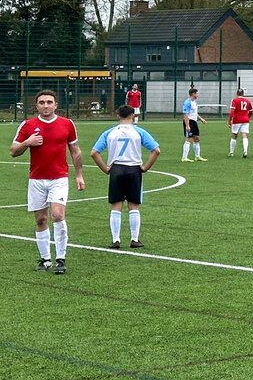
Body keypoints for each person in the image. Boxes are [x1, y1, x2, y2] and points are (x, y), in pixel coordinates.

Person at [10, 90, 85, 275]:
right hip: (36, 179)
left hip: (59, 178)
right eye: (42, 102)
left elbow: (75, 150)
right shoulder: (28, 125)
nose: (45, 105)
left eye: (49, 102)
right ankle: (45, 260)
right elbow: (13, 151)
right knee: (41, 219)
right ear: (36, 105)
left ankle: (61, 259)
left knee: (58, 215)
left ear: (55, 105)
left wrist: (79, 175)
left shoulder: (67, 124)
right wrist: (27, 142)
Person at [90, 105, 159, 249]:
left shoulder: (110, 132)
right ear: (133, 115)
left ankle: (116, 240)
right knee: (134, 205)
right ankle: (134, 239)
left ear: (117, 115)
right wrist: (145, 167)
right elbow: (156, 150)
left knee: (116, 205)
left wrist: (105, 169)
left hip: (116, 169)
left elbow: (94, 152)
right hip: (134, 169)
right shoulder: (139, 131)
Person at [181, 88, 208, 162]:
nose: (197, 95)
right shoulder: (187, 102)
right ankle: (184, 157)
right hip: (189, 122)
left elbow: (195, 113)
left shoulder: (194, 102)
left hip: (194, 122)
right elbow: (185, 114)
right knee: (189, 139)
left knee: (197, 138)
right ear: (193, 94)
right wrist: (187, 125)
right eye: (196, 93)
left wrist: (201, 119)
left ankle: (197, 156)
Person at [227, 89, 253, 158]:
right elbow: (251, 111)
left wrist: (229, 120)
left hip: (237, 120)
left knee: (234, 135)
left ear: (237, 94)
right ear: (243, 94)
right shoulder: (247, 101)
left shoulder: (234, 100)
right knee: (244, 135)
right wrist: (248, 117)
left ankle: (231, 152)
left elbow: (232, 111)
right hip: (245, 120)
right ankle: (245, 151)